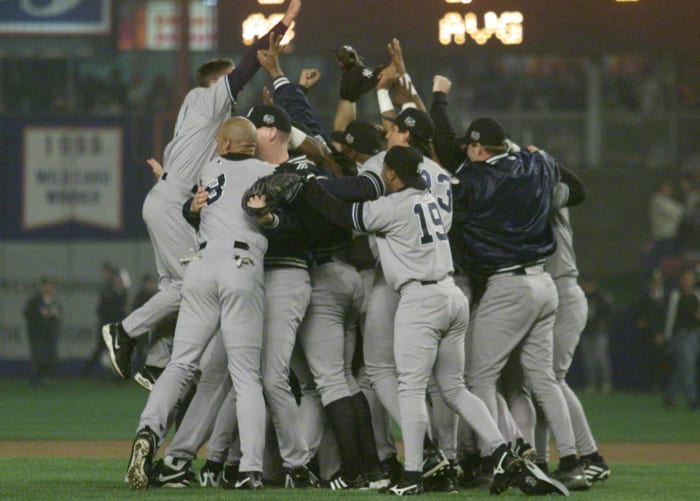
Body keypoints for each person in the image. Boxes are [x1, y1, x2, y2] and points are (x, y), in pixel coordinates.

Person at [295, 145, 540, 496]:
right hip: (452, 294)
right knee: (454, 387)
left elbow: (340, 214)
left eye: (384, 171)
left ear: (392, 174)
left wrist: (309, 185)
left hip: (420, 299)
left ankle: (412, 477)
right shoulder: (428, 199)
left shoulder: (394, 205)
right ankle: (502, 451)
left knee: (410, 387)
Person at [102, 0, 302, 382]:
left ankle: (158, 360)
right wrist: (284, 22)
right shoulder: (206, 100)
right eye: (228, 83)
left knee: (174, 286)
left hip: (170, 198)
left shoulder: (204, 119)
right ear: (215, 84)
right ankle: (124, 330)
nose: (235, 91)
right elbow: (247, 65)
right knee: (189, 284)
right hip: (172, 201)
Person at [124, 117, 277, 490]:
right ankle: (250, 470)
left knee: (181, 363)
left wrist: (191, 208)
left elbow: (192, 209)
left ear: (224, 144)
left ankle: (149, 431)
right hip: (241, 265)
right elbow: (276, 219)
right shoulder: (268, 171)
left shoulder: (210, 168)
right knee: (245, 376)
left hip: (201, 266)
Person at [661, 267, 700, 410]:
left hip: (694, 335)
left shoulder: (696, 296)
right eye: (684, 279)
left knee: (682, 368)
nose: (687, 281)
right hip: (680, 336)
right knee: (688, 366)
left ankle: (670, 396)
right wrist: (666, 335)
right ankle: (693, 399)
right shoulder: (675, 296)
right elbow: (669, 318)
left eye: (689, 279)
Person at [84, 263, 128, 378]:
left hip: (116, 324)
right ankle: (89, 370)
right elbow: (100, 309)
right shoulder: (108, 292)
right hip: (106, 324)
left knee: (115, 349)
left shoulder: (121, 293)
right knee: (102, 348)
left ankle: (115, 374)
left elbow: (122, 310)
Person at [23, 277, 61, 386]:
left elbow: (58, 317)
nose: (49, 288)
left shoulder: (55, 302)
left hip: (50, 334)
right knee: (38, 356)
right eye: (46, 286)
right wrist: (40, 314)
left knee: (50, 356)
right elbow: (27, 314)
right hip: (37, 333)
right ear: (42, 287)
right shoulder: (34, 301)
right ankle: (35, 378)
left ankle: (45, 377)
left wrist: (55, 317)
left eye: (51, 286)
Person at [579, 276, 614, 394]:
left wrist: (603, 323)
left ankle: (605, 382)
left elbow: (608, 312)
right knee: (588, 360)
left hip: (599, 333)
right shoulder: (581, 297)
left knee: (601, 358)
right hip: (586, 332)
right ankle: (591, 383)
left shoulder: (601, 297)